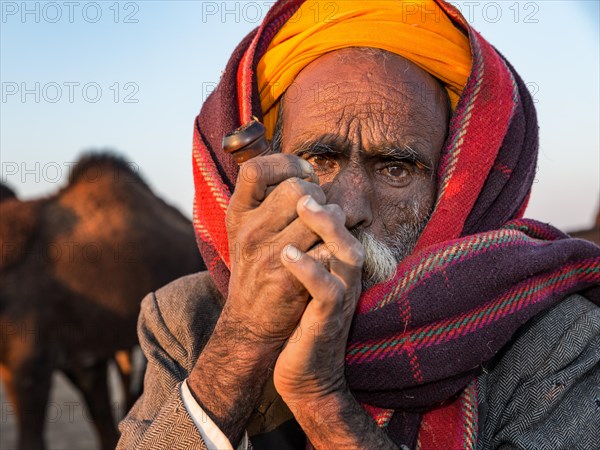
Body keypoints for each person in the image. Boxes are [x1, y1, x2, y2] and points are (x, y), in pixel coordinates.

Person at [118, 1, 600, 449]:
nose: (347, 210)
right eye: (318, 160)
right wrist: (244, 339)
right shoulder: (186, 319)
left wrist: (322, 401)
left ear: (456, 192)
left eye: (395, 169)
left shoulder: (555, 340)